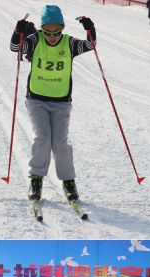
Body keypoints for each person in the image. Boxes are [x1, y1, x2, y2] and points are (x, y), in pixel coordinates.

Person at [11, 6, 97, 203]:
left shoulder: (69, 43)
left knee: (60, 143)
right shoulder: (36, 40)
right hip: (36, 100)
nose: (52, 36)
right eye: (48, 31)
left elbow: (91, 45)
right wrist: (18, 32)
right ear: (42, 29)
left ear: (63, 28)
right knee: (43, 138)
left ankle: (68, 182)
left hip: (61, 102)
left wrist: (90, 29)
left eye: (56, 31)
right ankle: (36, 181)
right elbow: (16, 48)